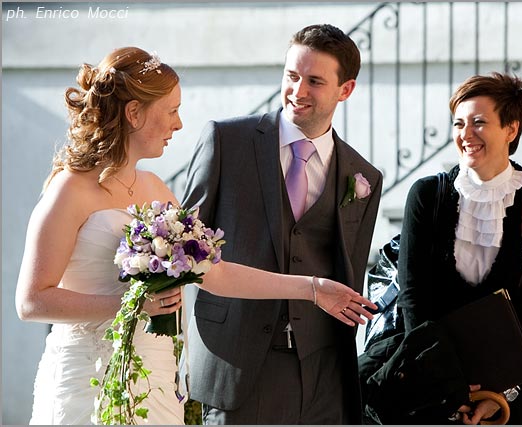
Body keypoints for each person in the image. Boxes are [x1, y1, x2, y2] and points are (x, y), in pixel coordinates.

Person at [14, 46, 376, 426]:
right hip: (86, 376)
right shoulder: (70, 190)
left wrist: (313, 287)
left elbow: (215, 273)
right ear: (134, 113)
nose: (179, 124)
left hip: (153, 381)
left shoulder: (157, 191)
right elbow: (32, 302)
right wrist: (134, 306)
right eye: (171, 111)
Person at [181, 24, 383, 424]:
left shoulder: (363, 177)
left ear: (346, 90)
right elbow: (185, 251)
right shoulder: (226, 140)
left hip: (323, 374)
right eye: (292, 76)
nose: (298, 91)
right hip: (238, 362)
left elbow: (350, 272)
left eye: (314, 81)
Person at [397, 72, 522, 425]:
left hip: (507, 393)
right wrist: (445, 383)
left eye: (479, 122)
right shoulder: (427, 196)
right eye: (459, 123)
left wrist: (499, 390)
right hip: (433, 389)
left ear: (511, 129)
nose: (465, 134)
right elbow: (413, 296)